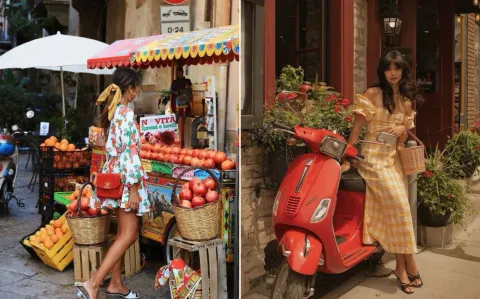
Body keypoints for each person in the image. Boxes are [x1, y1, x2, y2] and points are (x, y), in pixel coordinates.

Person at [346, 50, 424, 295]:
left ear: (403, 71)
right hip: (372, 160)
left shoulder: (406, 100)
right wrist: (348, 156)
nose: (393, 72)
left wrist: (402, 126)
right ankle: (409, 262)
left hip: (394, 161)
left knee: (396, 212)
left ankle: (401, 267)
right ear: (382, 71)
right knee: (401, 207)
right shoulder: (372, 93)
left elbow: (403, 136)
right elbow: (357, 129)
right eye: (389, 68)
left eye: (397, 68)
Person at [77, 68, 149, 299]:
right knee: (129, 235)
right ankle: (94, 282)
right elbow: (129, 154)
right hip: (125, 180)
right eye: (136, 87)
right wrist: (135, 189)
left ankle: (115, 283)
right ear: (130, 89)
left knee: (121, 233)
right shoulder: (126, 114)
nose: (137, 91)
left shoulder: (114, 111)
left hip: (113, 177)